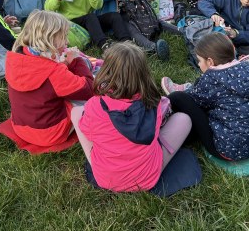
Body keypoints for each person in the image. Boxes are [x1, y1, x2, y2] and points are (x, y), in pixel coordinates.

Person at [71, 42, 192, 192]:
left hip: (106, 178)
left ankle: (103, 160)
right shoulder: (152, 102)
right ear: (143, 73)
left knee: (76, 112)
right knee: (183, 119)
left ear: (106, 70)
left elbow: (88, 132)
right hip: (147, 178)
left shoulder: (94, 105)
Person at [162, 32, 249, 161]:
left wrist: (190, 91)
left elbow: (194, 102)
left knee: (179, 97)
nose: (198, 64)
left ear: (210, 61)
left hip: (229, 150)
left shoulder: (212, 78)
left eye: (199, 60)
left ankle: (163, 118)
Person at [4, 10, 95, 147]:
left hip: (21, 128)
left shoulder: (15, 57)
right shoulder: (54, 72)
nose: (67, 41)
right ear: (50, 38)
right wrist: (77, 61)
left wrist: (63, 65)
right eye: (64, 36)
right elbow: (89, 90)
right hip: (51, 133)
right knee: (94, 103)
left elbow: (40, 77)